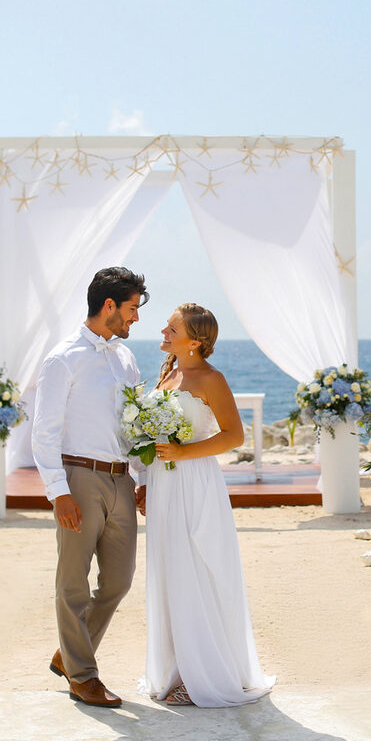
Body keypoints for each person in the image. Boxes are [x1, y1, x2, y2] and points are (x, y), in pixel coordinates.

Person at [139, 302, 275, 707]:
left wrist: (183, 454)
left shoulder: (210, 378)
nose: (163, 331)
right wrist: (146, 481)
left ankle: (205, 674)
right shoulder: (170, 373)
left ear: (195, 341)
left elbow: (234, 436)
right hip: (164, 484)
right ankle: (177, 669)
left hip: (194, 482)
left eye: (171, 327)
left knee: (194, 568)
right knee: (169, 570)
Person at [30, 266, 147, 708]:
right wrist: (57, 491)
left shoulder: (125, 359)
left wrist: (145, 477)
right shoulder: (64, 358)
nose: (135, 318)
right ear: (109, 305)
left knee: (119, 581)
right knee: (74, 584)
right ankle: (83, 675)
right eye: (132, 309)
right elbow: (44, 430)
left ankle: (70, 654)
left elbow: (135, 426)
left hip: (121, 479)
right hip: (78, 477)